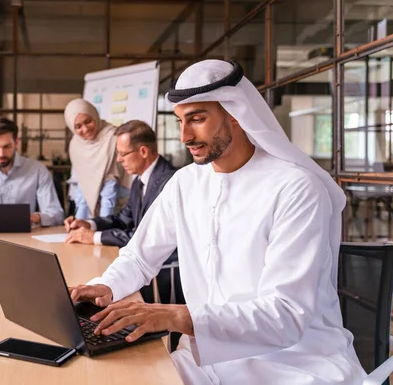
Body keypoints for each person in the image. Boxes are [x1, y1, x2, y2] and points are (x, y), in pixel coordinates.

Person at [68, 60, 366, 384]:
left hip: (292, 366)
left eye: (197, 119)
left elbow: (284, 316)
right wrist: (106, 286)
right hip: (203, 360)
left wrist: (174, 315)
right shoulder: (185, 184)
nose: (184, 135)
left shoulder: (296, 189)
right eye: (180, 120)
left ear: (236, 113)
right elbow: (140, 256)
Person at [63, 120, 181, 304]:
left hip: (166, 277)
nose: (118, 159)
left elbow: (141, 236)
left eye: (123, 153)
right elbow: (123, 218)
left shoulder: (168, 182)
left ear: (143, 151)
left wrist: (94, 237)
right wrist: (90, 224)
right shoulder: (140, 180)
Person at [64, 99, 130, 219]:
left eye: (88, 121)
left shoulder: (113, 135)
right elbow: (79, 174)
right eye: (78, 127)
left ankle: (104, 228)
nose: (85, 129)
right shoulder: (75, 144)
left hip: (115, 195)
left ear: (94, 115)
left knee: (109, 188)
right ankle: (80, 227)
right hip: (85, 190)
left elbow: (122, 170)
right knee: (82, 194)